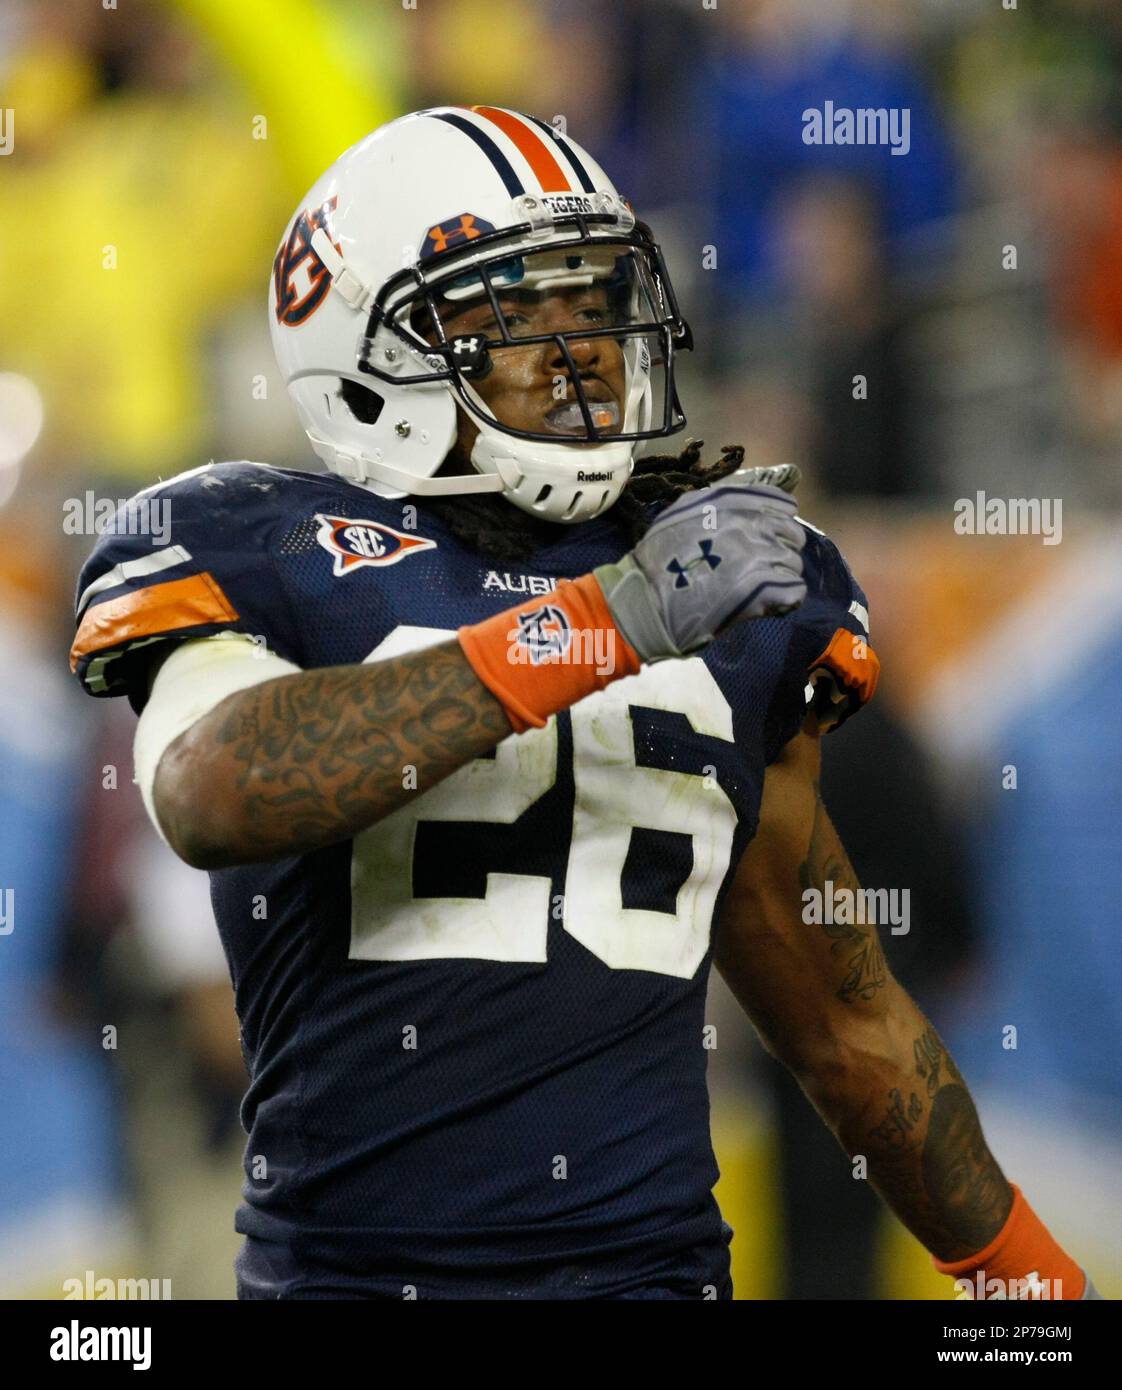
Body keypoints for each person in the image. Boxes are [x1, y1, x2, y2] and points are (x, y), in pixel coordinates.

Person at [70, 107, 1098, 1301]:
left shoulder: (729, 589)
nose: (586, 348)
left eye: (597, 297)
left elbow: (843, 1020)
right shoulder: (263, 543)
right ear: (367, 359)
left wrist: (1031, 1279)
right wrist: (604, 625)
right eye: (517, 310)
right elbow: (217, 789)